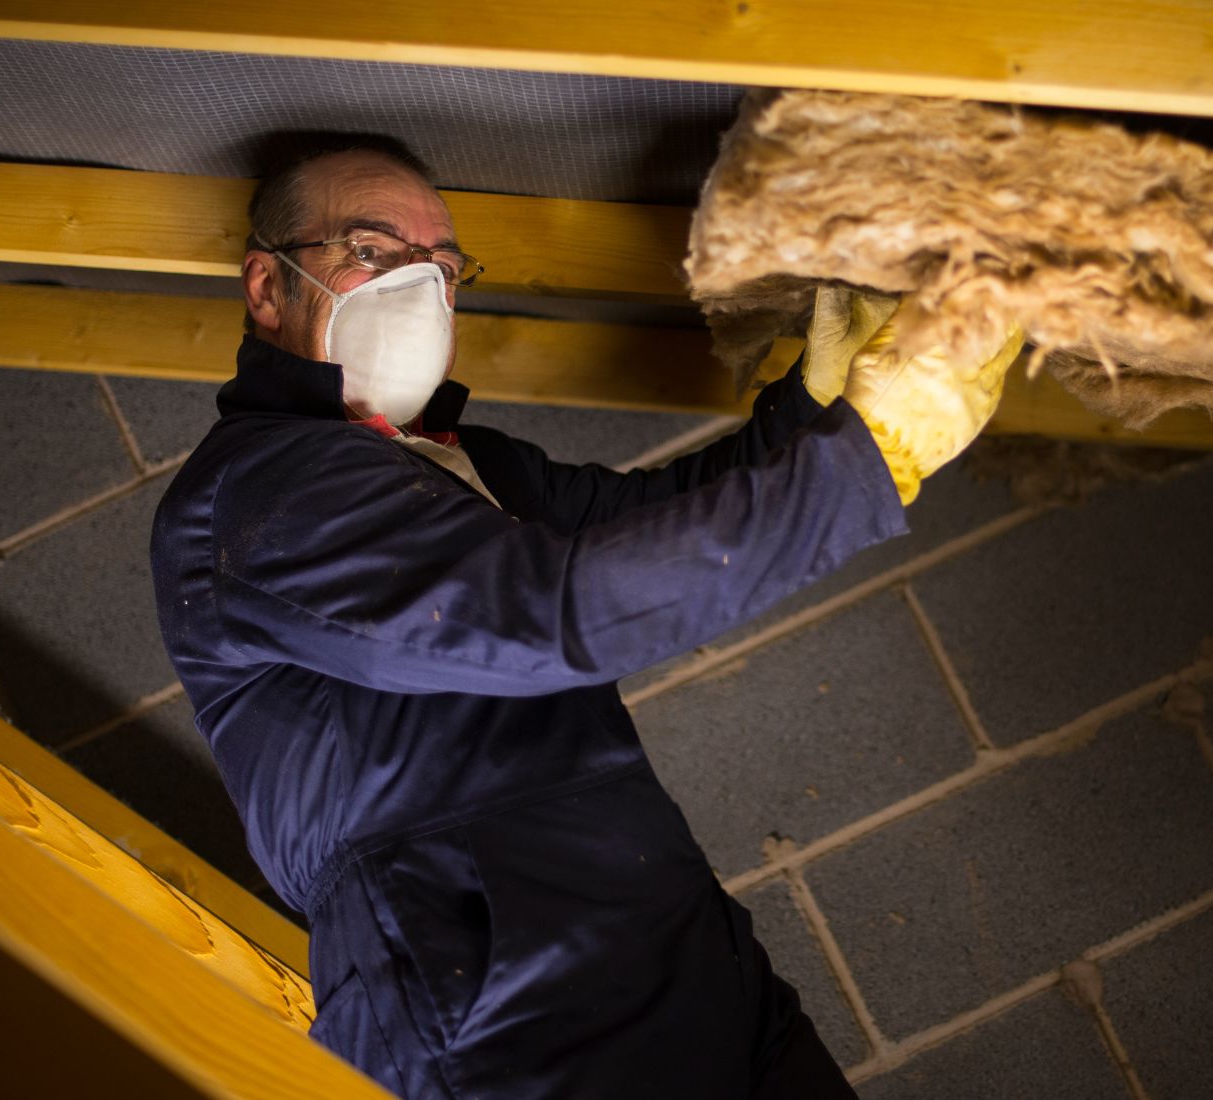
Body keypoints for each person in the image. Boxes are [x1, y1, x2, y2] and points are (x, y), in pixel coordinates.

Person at [149, 134, 1018, 1099]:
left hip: (665, 933)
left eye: (443, 269)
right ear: (267, 287)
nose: (423, 293)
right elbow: (546, 611)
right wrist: (869, 458)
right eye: (374, 252)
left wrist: (818, 403)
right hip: (488, 971)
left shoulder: (458, 462)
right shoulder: (258, 492)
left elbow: (647, 531)